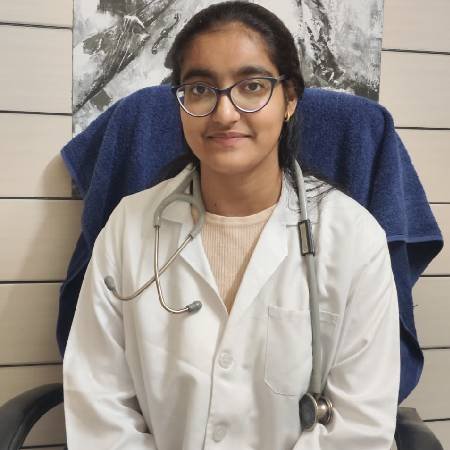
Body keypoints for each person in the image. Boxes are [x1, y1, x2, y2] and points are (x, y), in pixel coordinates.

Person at [63, 2, 400, 449]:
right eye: (201, 89)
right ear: (182, 102)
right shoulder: (129, 228)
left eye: (252, 86)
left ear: (290, 99)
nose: (224, 113)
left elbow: (360, 430)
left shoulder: (354, 239)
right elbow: (100, 407)